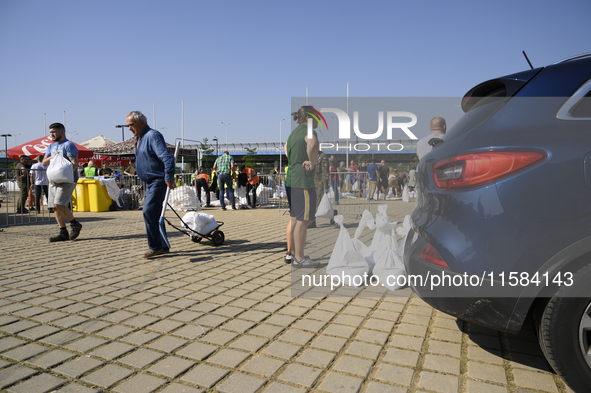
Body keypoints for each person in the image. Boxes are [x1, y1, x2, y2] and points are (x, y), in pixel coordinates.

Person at [127, 111, 176, 258]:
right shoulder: (139, 139)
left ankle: (155, 246)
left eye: (131, 125)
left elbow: (167, 158)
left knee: (148, 211)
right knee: (154, 213)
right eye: (127, 125)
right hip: (149, 182)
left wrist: (168, 177)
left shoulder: (152, 136)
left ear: (142, 123)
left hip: (158, 181)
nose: (129, 128)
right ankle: (163, 245)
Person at [285, 105, 320, 268]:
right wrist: (311, 162)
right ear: (308, 118)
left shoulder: (293, 134)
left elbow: (286, 148)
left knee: (294, 219)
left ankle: (292, 254)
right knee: (303, 220)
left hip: (291, 178)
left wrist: (295, 159)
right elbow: (312, 145)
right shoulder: (309, 131)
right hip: (302, 180)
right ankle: (300, 258)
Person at [42, 122, 83, 242]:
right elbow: (44, 162)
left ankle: (75, 224)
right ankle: (63, 232)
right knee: (55, 207)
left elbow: (74, 164)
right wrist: (52, 157)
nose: (52, 135)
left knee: (59, 204)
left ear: (62, 132)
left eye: (54, 132)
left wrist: (64, 178)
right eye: (50, 132)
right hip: (54, 180)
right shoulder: (51, 147)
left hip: (67, 180)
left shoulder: (69, 145)